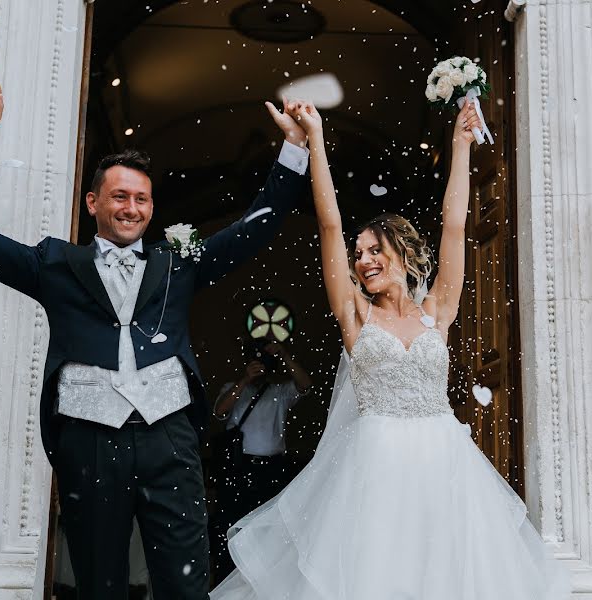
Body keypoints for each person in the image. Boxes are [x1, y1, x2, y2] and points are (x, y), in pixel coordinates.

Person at [0, 77, 310, 599]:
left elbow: (254, 228)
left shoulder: (176, 263)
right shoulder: (55, 265)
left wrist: (294, 148)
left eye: (140, 199)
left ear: (152, 209)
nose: (131, 207)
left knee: (185, 585)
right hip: (88, 444)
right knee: (100, 586)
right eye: (119, 196)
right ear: (93, 203)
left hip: (170, 439)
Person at [211, 100, 571, 599]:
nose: (362, 261)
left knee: (444, 573)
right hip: (373, 468)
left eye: (374, 250)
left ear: (402, 253)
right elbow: (330, 224)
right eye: (358, 255)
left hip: (444, 464)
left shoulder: (437, 311)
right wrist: (315, 137)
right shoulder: (355, 315)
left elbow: (455, 226)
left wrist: (461, 147)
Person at [211, 339, 311, 577]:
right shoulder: (233, 388)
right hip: (239, 469)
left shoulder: (281, 391)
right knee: (233, 526)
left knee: (269, 528)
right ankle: (228, 576)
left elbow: (306, 385)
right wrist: (245, 379)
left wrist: (284, 355)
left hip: (272, 471)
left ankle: (264, 579)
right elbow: (219, 411)